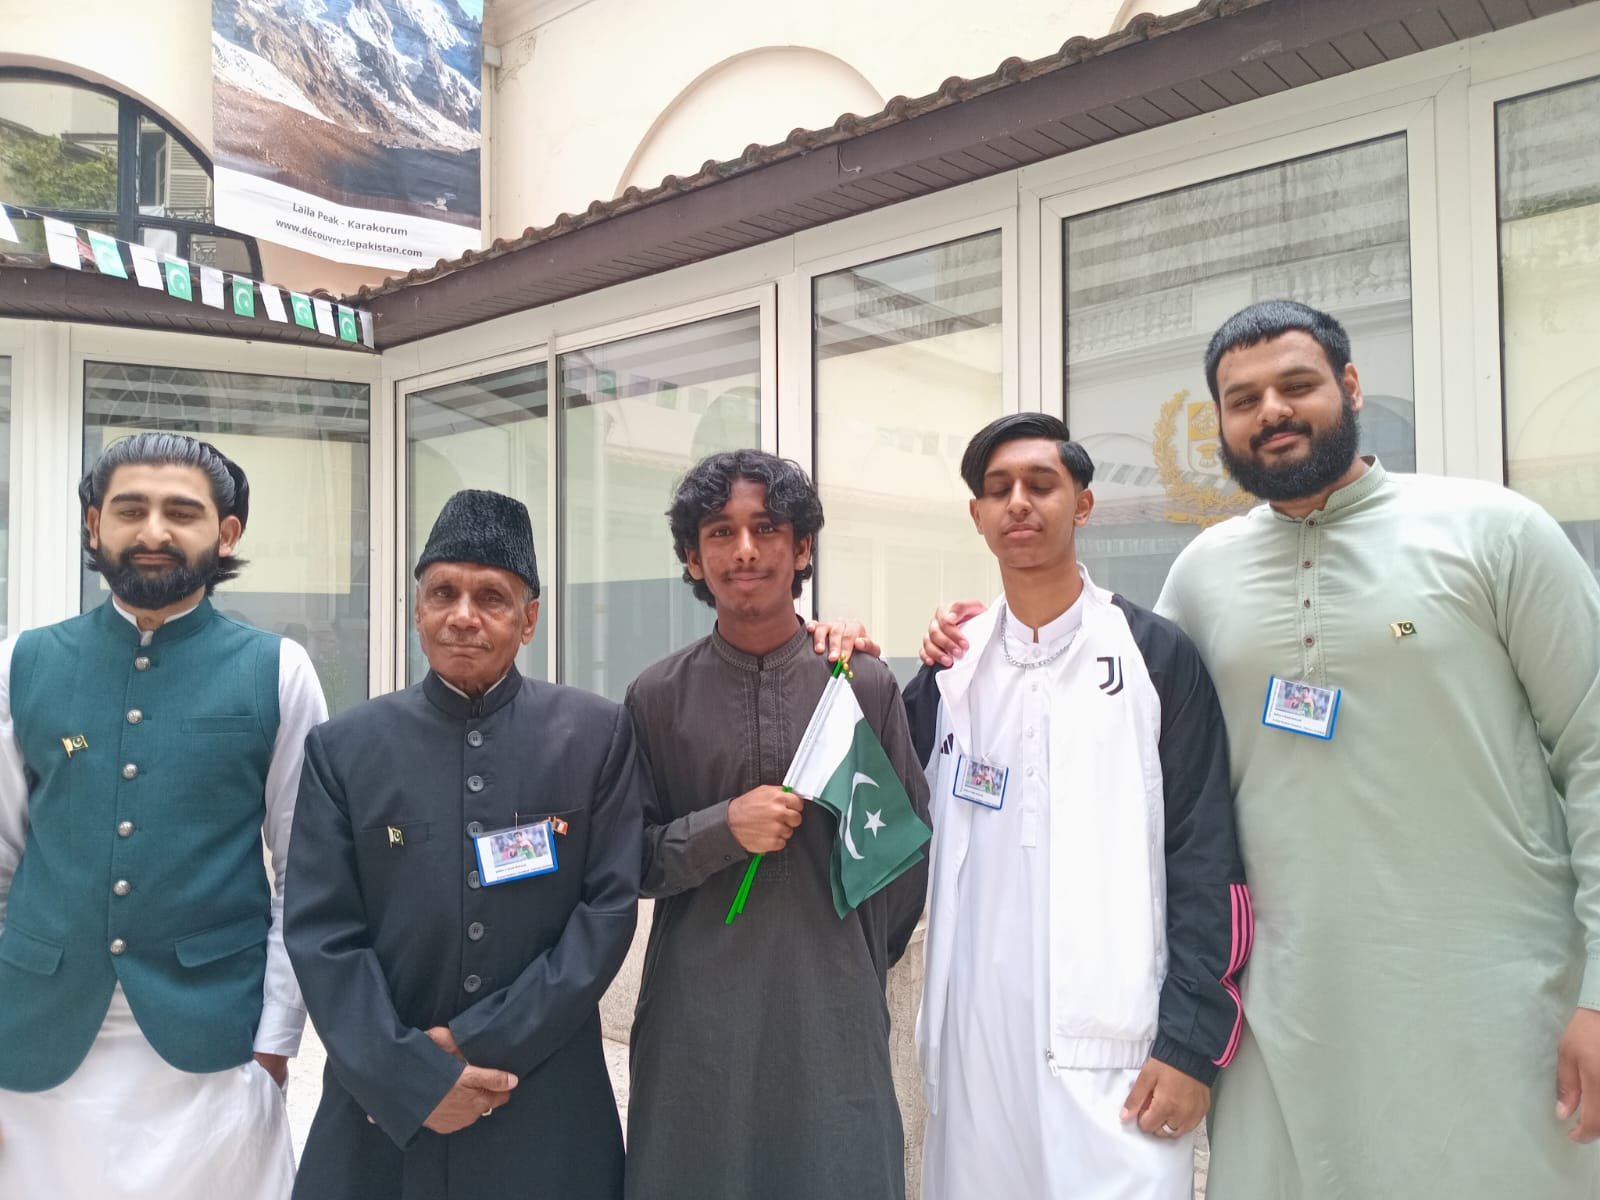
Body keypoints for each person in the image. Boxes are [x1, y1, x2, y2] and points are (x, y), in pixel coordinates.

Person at [923, 301, 1600, 1198]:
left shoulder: (1493, 533)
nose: (1272, 411)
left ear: (1350, 387)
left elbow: (1590, 752)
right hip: (1288, 1019)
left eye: (1297, 385)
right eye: (1243, 399)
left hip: (1496, 1001)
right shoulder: (1203, 576)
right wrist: (968, 636)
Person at [893, 413, 1248, 1200]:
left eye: (1041, 485)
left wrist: (1192, 1046)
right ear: (978, 517)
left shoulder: (1153, 656)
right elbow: (879, 803)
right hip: (974, 1052)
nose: (1019, 502)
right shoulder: (951, 672)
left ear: (1082, 505)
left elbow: (1206, 857)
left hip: (1116, 1058)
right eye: (999, 490)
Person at [285, 489, 647, 1200]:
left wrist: (477, 1045)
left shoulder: (594, 735)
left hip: (543, 1094)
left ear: (529, 618)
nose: (463, 615)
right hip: (379, 1107)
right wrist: (407, 1074)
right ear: (416, 611)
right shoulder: (344, 748)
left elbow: (606, 914)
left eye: (492, 597)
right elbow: (322, 933)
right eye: (442, 592)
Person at [0, 432, 326, 1199]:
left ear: (227, 532)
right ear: (93, 527)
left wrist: (275, 1040)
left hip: (214, 1036)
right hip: (38, 1032)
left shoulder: (277, 670)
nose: (153, 531)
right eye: (130, 509)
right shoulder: (23, 661)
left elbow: (305, 874)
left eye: (182, 511)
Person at [623, 449, 931, 1200]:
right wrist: (721, 828)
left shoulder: (859, 682)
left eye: (766, 527)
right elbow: (626, 860)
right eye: (720, 533)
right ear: (693, 559)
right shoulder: (656, 696)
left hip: (832, 1018)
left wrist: (843, 961)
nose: (746, 550)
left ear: (803, 548)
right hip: (697, 1020)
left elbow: (903, 859)